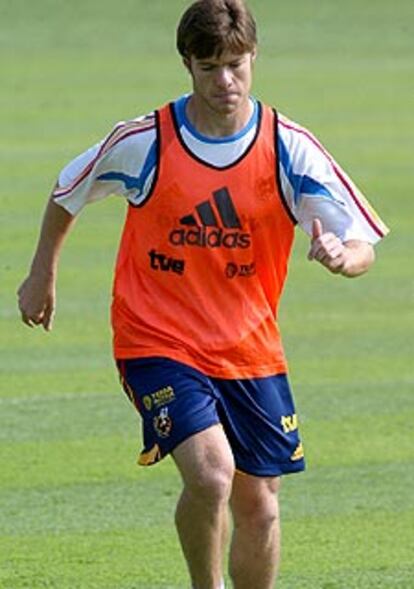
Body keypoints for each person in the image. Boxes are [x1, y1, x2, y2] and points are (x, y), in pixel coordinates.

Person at [17, 1, 389, 587]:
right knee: (213, 475)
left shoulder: (288, 147)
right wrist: (42, 274)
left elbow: (362, 240)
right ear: (187, 63)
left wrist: (345, 259)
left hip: (249, 349)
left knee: (259, 506)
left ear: (254, 58)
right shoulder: (148, 142)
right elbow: (68, 191)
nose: (225, 82)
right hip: (155, 338)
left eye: (236, 65)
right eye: (210, 66)